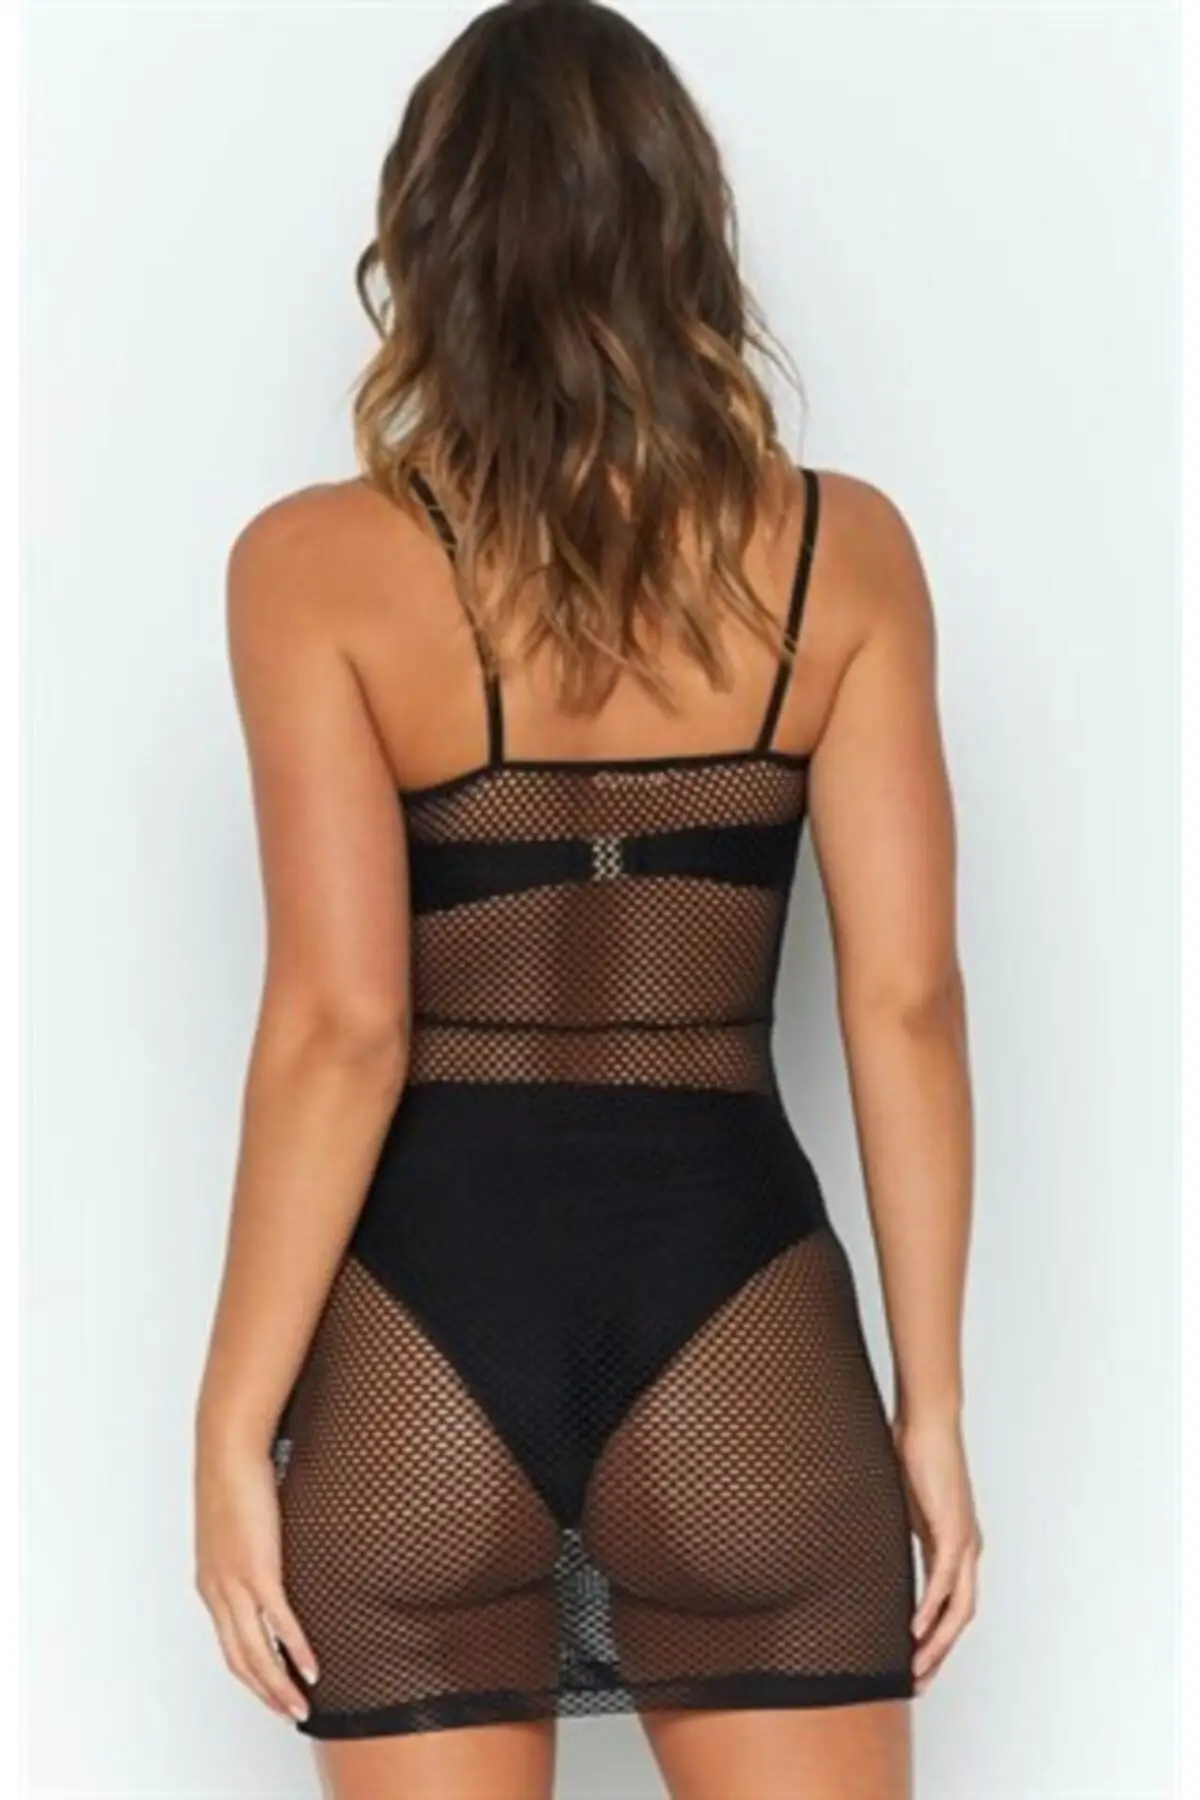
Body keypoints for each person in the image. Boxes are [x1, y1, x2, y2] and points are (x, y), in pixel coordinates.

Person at [192, 2, 982, 1795]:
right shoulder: (838, 552)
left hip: (416, 1358)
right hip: (744, 1343)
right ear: (683, 230)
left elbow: (342, 1028)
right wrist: (929, 1405)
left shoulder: (312, 569)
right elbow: (906, 1004)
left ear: (428, 242)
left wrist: (235, 1428)